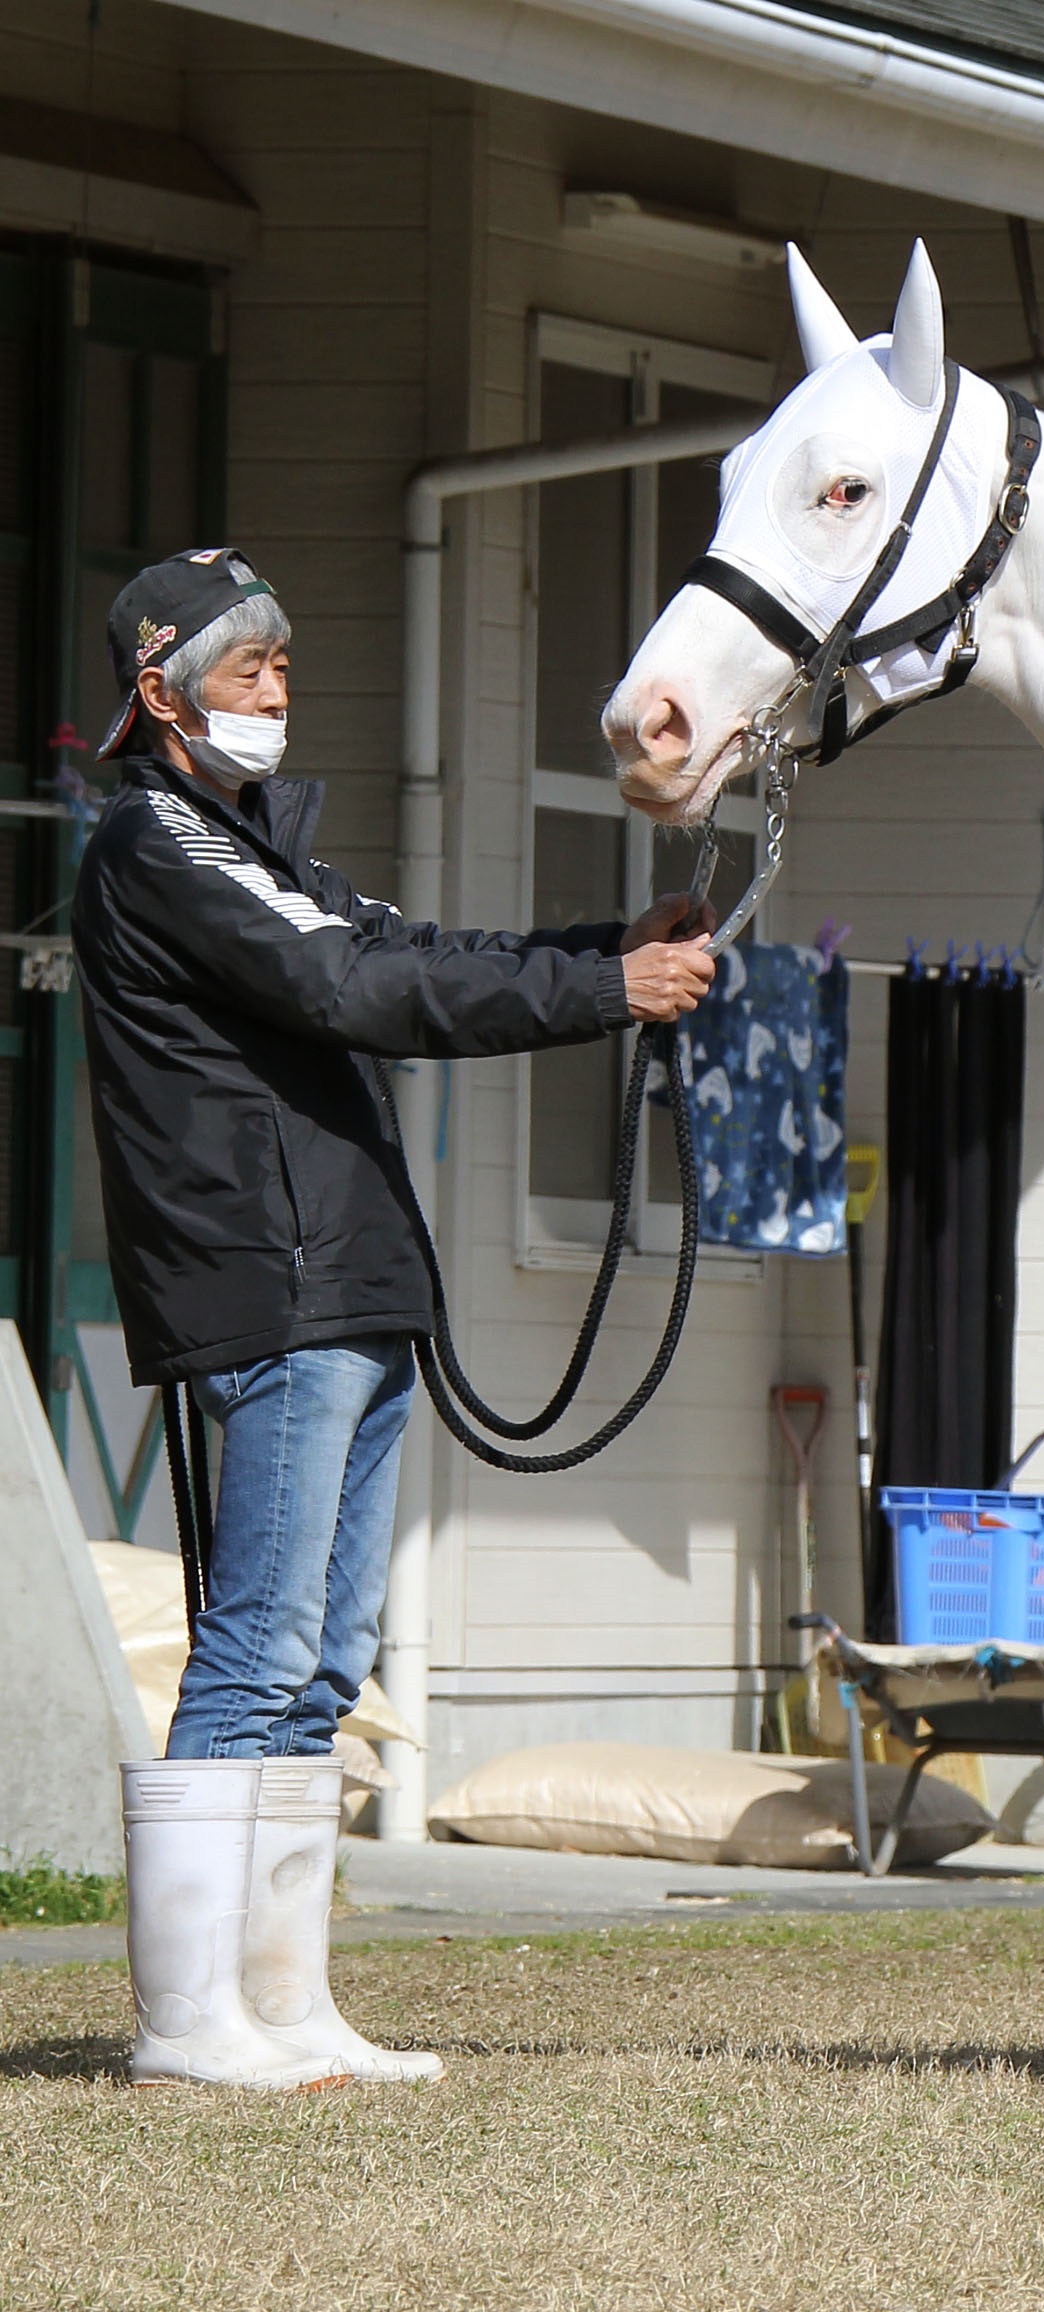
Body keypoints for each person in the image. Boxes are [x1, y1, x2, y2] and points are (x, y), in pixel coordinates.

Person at [71, 548, 716, 2090]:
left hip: (348, 1284)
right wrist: (605, 998)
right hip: (269, 1287)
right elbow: (355, 991)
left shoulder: (253, 845)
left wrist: (602, 951)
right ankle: (187, 2021)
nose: (281, 688)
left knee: (323, 1658)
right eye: (248, 668)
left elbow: (413, 953)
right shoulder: (159, 845)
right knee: (258, 1643)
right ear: (163, 693)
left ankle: (282, 2004)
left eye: (286, 661)